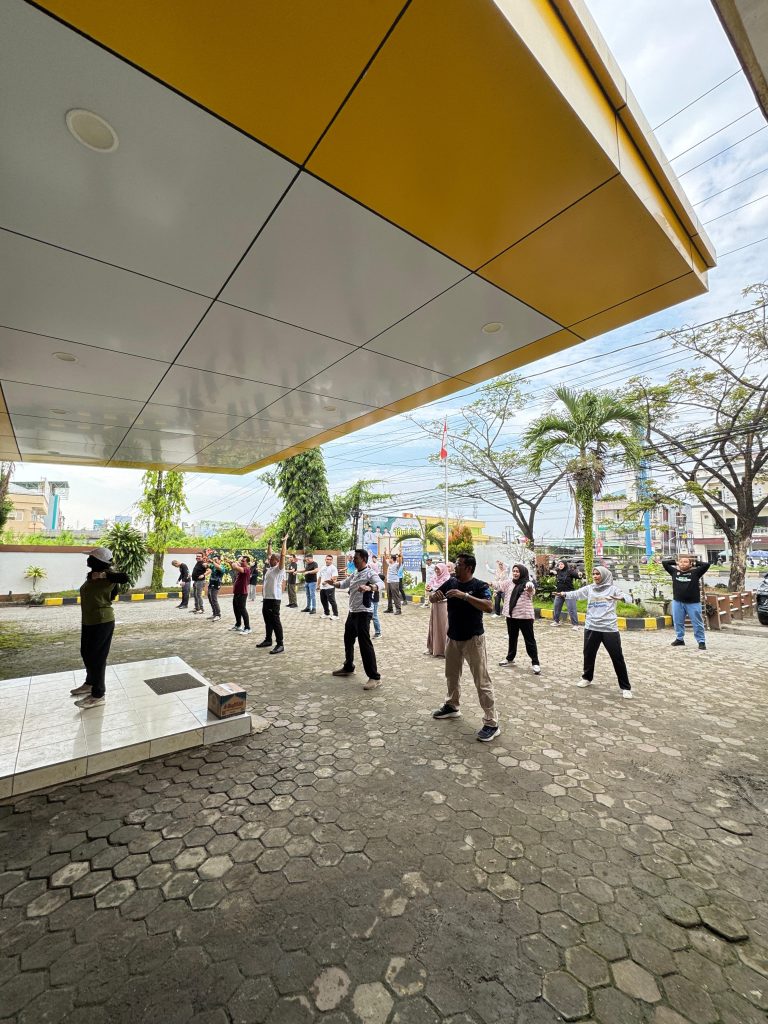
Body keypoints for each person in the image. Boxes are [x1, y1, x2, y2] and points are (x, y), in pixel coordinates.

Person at [430, 554, 500, 742]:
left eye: (458, 564)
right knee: (451, 675)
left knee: (482, 681)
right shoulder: (451, 582)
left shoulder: (480, 586)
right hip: (453, 637)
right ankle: (452, 706)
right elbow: (434, 596)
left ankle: (492, 722)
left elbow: (489, 607)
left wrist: (465, 596)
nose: (455, 567)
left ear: (468, 568)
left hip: (473, 639)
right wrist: (434, 597)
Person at [556, 566, 633, 698]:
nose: (595, 576)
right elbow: (576, 594)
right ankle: (587, 678)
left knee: (617, 657)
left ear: (604, 575)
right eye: (594, 574)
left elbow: (629, 598)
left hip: (609, 628)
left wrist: (620, 598)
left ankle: (625, 687)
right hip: (591, 627)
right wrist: (563, 594)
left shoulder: (613, 589)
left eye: (598, 574)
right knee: (589, 655)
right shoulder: (590, 588)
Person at [70, 547, 129, 709]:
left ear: (99, 561)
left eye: (91, 557)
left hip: (102, 621)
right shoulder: (91, 576)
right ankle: (90, 683)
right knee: (86, 653)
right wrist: (95, 576)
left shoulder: (109, 576)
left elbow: (125, 577)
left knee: (97, 657)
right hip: (88, 621)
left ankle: (98, 694)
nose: (87, 559)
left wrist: (103, 575)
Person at [332, 549, 385, 689]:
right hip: (353, 612)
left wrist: (369, 587)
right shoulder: (355, 573)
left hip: (364, 613)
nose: (353, 560)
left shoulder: (370, 573)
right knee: (348, 640)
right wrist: (333, 583)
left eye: (356, 558)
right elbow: (344, 584)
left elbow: (381, 584)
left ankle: (375, 678)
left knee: (364, 644)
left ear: (364, 559)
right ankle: (348, 667)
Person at [496, 564, 540, 674]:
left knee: (529, 640)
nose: (515, 573)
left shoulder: (527, 583)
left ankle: (535, 662)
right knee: (512, 638)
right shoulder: (509, 582)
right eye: (514, 571)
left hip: (525, 617)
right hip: (511, 616)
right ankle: (510, 658)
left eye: (517, 571)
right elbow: (499, 585)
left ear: (522, 573)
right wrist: (487, 583)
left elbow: (531, 591)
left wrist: (530, 587)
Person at [662, 554, 710, 650]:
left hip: (693, 603)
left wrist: (695, 564)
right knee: (678, 622)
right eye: (681, 562)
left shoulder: (695, 573)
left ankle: (701, 641)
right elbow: (664, 563)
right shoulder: (674, 572)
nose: (683, 563)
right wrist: (676, 562)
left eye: (685, 562)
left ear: (690, 564)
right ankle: (680, 639)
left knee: (697, 623)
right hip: (678, 602)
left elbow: (706, 565)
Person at [256, 534, 288, 653]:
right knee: (267, 621)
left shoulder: (279, 569)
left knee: (275, 621)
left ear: (278, 561)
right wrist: (269, 544)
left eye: (272, 559)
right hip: (266, 598)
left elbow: (283, 555)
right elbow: (269, 554)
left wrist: (284, 542)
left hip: (274, 599)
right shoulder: (270, 569)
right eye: (270, 559)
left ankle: (280, 644)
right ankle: (268, 640)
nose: (269, 559)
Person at [425, 561, 452, 657]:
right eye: (435, 569)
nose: (436, 571)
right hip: (435, 605)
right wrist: (429, 590)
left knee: (443, 626)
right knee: (434, 625)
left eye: (438, 569)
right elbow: (429, 590)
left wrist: (432, 589)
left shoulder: (447, 579)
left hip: (443, 605)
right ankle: (433, 648)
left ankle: (444, 650)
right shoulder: (434, 578)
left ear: (443, 569)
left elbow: (442, 590)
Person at [552, 559, 581, 628]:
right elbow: (550, 572)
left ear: (565, 565)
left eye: (562, 564)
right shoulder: (558, 571)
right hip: (559, 593)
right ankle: (556, 621)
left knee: (571, 609)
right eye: (559, 564)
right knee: (556, 607)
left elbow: (578, 576)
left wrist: (579, 574)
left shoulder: (569, 571)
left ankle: (575, 625)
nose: (560, 565)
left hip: (569, 593)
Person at [227, 555, 252, 634]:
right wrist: (231, 564)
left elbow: (236, 567)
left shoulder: (246, 569)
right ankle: (238, 625)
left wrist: (234, 563)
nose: (241, 562)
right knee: (236, 609)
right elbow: (234, 568)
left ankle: (247, 628)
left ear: (247, 562)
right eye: (241, 561)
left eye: (243, 561)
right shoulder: (241, 568)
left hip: (242, 593)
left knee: (242, 610)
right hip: (237, 592)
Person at [206, 555, 224, 621]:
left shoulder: (222, 567)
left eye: (216, 560)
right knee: (210, 599)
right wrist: (206, 562)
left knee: (214, 599)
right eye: (214, 560)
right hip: (211, 584)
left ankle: (218, 615)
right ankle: (214, 613)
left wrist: (212, 562)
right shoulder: (213, 566)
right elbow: (206, 565)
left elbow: (218, 567)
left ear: (219, 560)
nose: (214, 561)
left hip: (216, 585)